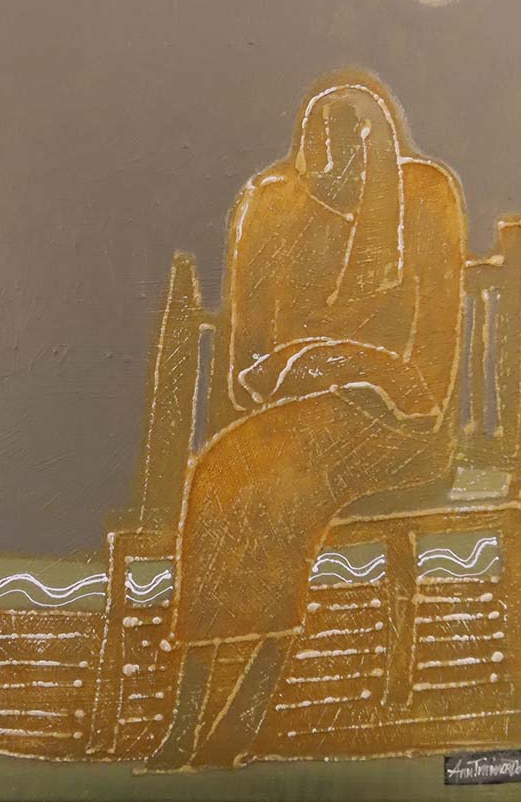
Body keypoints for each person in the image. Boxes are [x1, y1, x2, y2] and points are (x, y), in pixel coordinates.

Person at [150, 72, 467, 769]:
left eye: (353, 177)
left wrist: (355, 363)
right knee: (226, 471)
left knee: (279, 477)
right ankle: (189, 710)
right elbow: (244, 368)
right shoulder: (270, 204)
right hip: (293, 420)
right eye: (321, 179)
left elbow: (432, 383)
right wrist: (297, 369)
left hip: (402, 432)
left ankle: (246, 708)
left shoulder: (427, 197)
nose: (338, 195)